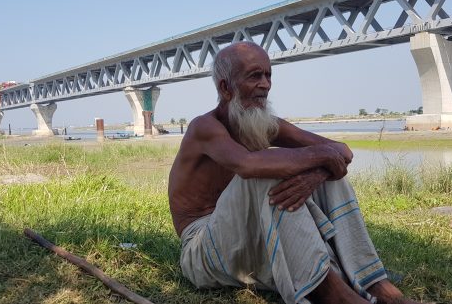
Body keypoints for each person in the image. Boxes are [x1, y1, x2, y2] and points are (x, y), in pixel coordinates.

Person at [168, 41, 420, 304]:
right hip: (202, 251)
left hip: (246, 241)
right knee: (267, 167)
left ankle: (375, 283)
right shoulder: (204, 128)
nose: (265, 84)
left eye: (268, 75)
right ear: (225, 88)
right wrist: (321, 157)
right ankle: (332, 292)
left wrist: (317, 173)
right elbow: (247, 165)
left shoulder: (262, 124)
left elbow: (342, 151)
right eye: (255, 76)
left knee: (329, 172)